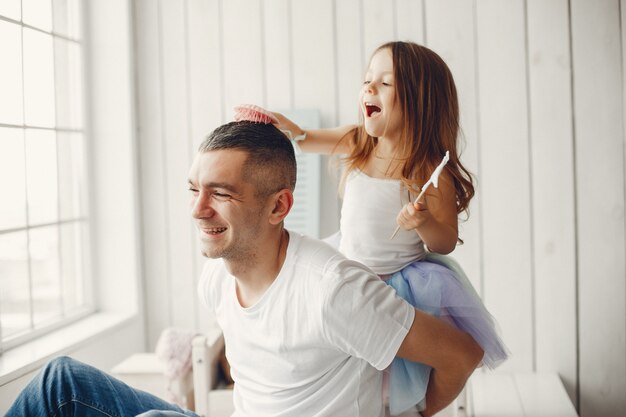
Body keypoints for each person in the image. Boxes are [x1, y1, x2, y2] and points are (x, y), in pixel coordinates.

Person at [5, 121, 482, 417]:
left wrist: (417, 414)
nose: (197, 209)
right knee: (60, 382)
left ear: (279, 206)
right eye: (194, 189)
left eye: (221, 194)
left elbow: (462, 355)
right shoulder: (216, 276)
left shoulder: (334, 290)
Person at [269, 41, 508, 414]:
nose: (369, 89)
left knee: (394, 369)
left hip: (398, 282)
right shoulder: (358, 143)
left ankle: (416, 411)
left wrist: (424, 221)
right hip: (347, 268)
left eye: (384, 83)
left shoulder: (428, 170)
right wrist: (290, 130)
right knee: (347, 362)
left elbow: (444, 242)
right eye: (367, 80)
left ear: (419, 100)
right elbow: (306, 140)